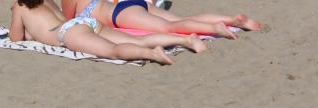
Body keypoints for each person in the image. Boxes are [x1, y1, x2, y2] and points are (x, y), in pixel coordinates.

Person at [9, 0, 207, 65]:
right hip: (84, 21)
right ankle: (186, 40)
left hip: (68, 33)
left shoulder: (19, 6)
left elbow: (15, 38)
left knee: (113, 50)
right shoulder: (47, 1)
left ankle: (151, 54)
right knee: (138, 40)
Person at [61, 0, 263, 38]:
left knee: (170, 27)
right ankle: (232, 20)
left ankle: (216, 28)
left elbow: (67, 19)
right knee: (182, 19)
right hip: (132, 4)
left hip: (121, 14)